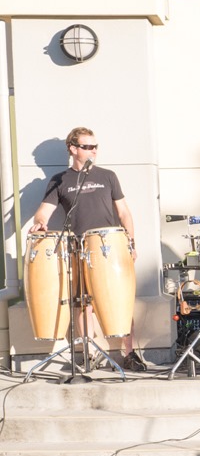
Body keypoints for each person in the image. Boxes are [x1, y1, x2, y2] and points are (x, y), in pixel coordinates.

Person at [30, 126, 147, 371]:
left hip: (111, 246)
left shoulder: (108, 176)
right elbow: (44, 211)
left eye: (95, 146)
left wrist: (131, 243)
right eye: (88, 147)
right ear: (73, 149)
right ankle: (89, 353)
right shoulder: (60, 180)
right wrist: (39, 222)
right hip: (79, 248)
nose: (94, 151)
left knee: (120, 300)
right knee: (84, 303)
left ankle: (130, 353)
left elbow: (124, 212)